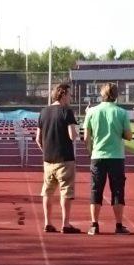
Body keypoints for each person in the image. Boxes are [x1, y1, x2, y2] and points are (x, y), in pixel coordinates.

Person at [82, 83, 133, 235]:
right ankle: (118, 225)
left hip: (97, 156)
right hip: (116, 156)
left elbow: (86, 137)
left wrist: (90, 151)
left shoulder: (92, 112)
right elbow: (129, 136)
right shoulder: (122, 113)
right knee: (117, 191)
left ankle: (94, 225)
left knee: (95, 190)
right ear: (116, 95)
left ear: (101, 94)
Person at [37, 83, 81, 234]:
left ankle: (47, 222)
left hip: (48, 159)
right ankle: (65, 224)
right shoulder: (66, 111)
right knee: (66, 192)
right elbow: (72, 135)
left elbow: (37, 138)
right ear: (62, 94)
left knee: (47, 192)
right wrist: (77, 130)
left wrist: (46, 150)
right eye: (69, 94)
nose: (70, 97)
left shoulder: (43, 112)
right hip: (65, 158)